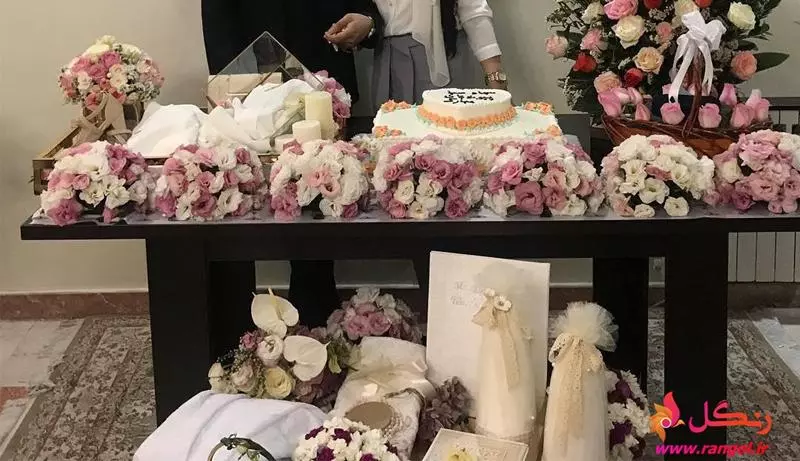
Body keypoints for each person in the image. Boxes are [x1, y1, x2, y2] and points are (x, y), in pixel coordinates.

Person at [201, 0, 381, 326]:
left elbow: (363, 10)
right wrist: (235, 90)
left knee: (317, 204)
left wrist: (367, 23)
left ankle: (317, 323)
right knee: (236, 209)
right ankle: (236, 331)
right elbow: (218, 24)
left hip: (324, 89)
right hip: (249, 97)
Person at [326, 0, 506, 109]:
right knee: (393, 146)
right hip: (388, 58)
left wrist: (496, 79)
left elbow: (474, 10)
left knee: (448, 145)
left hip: (441, 56)